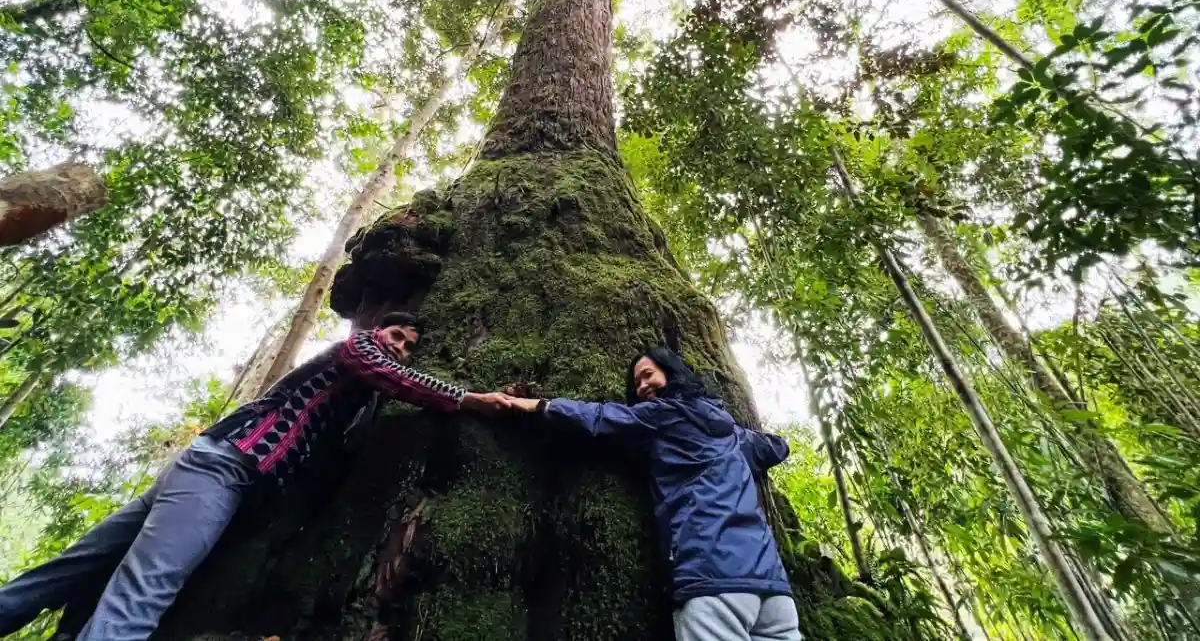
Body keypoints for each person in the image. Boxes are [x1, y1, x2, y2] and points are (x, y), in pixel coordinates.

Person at [0, 312, 510, 641]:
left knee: (70, 571)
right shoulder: (355, 352)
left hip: (208, 468)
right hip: (225, 465)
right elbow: (388, 375)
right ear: (373, 332)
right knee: (144, 590)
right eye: (395, 336)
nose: (399, 348)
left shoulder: (361, 392)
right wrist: (465, 397)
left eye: (406, 346)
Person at [503, 346, 801, 641]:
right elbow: (776, 448)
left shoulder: (664, 415)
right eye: (637, 383)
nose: (642, 386)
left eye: (648, 375)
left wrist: (538, 405)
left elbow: (599, 417)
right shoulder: (732, 435)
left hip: (712, 578)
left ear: (671, 374)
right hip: (773, 590)